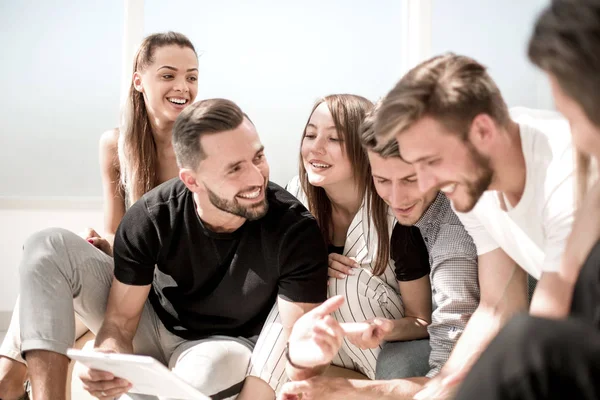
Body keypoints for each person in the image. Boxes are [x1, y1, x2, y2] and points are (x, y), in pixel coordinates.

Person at [12, 98, 330, 400]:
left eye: (258, 157)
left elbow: (297, 344)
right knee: (46, 246)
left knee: (204, 370)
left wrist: (308, 356)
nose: (255, 177)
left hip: (224, 347)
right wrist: (108, 355)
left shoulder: (295, 230)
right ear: (191, 181)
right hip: (154, 328)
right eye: (234, 169)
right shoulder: (151, 217)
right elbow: (120, 321)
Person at [0, 31, 200, 400]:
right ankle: (16, 384)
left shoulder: (203, 149)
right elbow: (116, 231)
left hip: (165, 296)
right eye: (169, 75)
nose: (183, 87)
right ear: (139, 81)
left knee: (48, 281)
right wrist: (100, 244)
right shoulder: (116, 145)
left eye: (192, 76)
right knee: (6, 372)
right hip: (124, 276)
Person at [373, 53, 575, 398]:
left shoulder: (565, 179)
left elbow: (544, 334)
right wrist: (438, 387)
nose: (424, 183)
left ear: (482, 131)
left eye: (430, 162)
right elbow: (498, 306)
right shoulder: (471, 184)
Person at [276, 104, 480, 400]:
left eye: (410, 180)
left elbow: (448, 380)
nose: (395, 199)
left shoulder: (452, 239)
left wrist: (350, 391)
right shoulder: (308, 201)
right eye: (382, 180)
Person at [457, 1, 600, 398]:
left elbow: (539, 334)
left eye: (572, 116)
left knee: (526, 346)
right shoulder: (592, 184)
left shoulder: (563, 165)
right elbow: (549, 295)